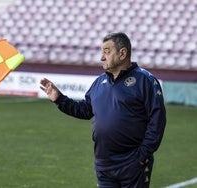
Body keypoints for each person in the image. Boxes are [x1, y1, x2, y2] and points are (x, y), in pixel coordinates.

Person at [40, 32, 166, 188]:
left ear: (123, 53)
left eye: (107, 51)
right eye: (102, 52)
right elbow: (84, 110)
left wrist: (142, 155)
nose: (102, 57)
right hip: (104, 164)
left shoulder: (145, 80)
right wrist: (59, 99)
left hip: (133, 163)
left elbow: (157, 121)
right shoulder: (99, 82)